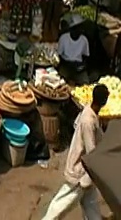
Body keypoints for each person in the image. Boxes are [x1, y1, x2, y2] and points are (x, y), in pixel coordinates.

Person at [42, 84, 109, 220]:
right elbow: (91, 152)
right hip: (80, 171)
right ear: (104, 101)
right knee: (62, 201)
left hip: (88, 174)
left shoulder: (89, 112)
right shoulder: (88, 121)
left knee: (91, 205)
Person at [57, 14, 90, 85]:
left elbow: (86, 57)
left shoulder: (84, 40)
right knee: (59, 82)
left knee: (85, 83)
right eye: (76, 28)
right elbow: (59, 56)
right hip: (66, 65)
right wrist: (68, 64)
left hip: (78, 67)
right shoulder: (63, 38)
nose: (79, 30)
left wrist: (81, 66)